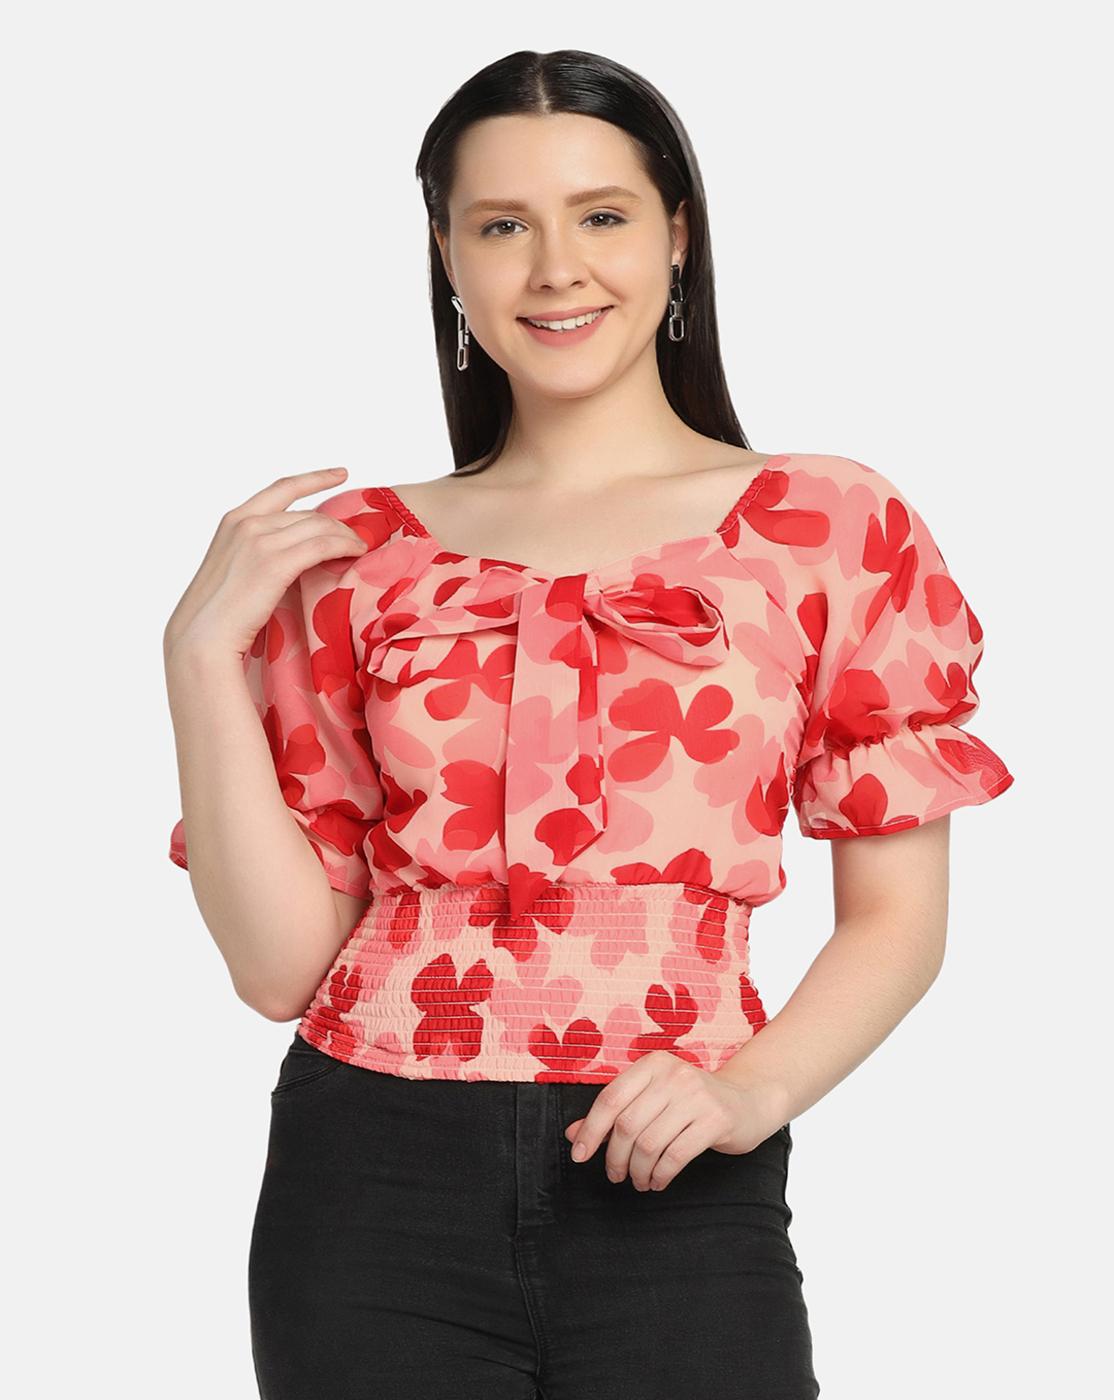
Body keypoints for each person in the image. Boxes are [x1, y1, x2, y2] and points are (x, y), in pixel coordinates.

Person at [163, 48, 1014, 1400]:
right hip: (370, 1184)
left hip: (675, 1168)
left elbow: (896, 919)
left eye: (601, 215)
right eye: (503, 225)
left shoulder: (827, 525)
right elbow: (280, 971)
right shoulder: (356, 556)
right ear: (447, 255)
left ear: (676, 234)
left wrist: (750, 1091)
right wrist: (201, 656)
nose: (556, 268)